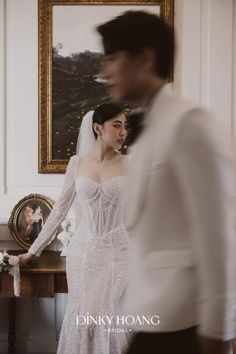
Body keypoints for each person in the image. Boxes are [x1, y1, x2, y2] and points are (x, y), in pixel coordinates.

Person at [97, 11, 236, 354]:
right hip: (146, 317)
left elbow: (219, 234)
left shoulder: (190, 123)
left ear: (145, 58)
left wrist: (218, 330)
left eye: (113, 58)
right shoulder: (145, 131)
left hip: (182, 323)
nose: (105, 72)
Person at [19, 103, 130, 354]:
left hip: (117, 254)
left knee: (100, 318)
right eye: (117, 125)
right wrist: (33, 251)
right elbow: (59, 210)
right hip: (82, 255)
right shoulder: (76, 164)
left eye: (125, 126)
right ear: (97, 128)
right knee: (81, 320)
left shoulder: (130, 164)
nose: (123, 132)